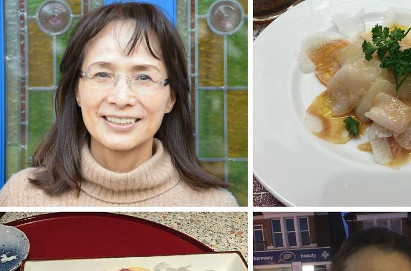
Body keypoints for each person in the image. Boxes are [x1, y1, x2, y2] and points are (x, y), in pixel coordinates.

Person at [0, 2, 237, 207]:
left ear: (171, 97)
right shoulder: (21, 195)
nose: (121, 98)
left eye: (144, 77)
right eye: (102, 74)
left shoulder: (215, 203)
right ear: (77, 90)